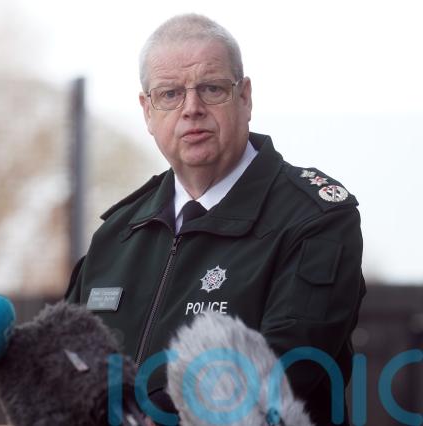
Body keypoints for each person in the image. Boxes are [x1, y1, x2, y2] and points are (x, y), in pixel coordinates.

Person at [65, 13, 365, 425]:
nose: (192, 109)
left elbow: (281, 373)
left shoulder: (314, 219)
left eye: (211, 88)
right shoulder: (117, 236)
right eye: (170, 94)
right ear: (147, 111)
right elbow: (64, 370)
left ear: (245, 97)